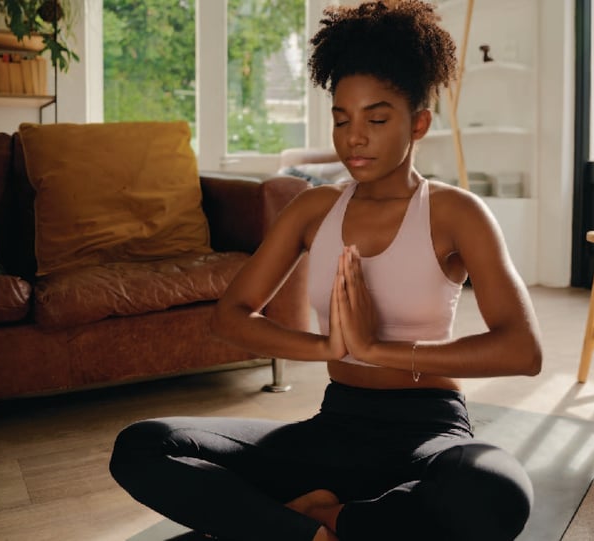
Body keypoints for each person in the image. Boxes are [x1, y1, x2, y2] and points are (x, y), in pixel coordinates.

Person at [109, 2, 543, 540]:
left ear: (420, 122)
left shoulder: (456, 214)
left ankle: (321, 517)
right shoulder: (314, 209)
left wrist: (380, 350)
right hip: (333, 427)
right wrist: (327, 349)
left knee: (493, 490)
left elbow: (524, 350)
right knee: (143, 446)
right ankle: (323, 533)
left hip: (427, 429)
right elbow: (230, 317)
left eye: (376, 119)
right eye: (341, 119)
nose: (354, 137)